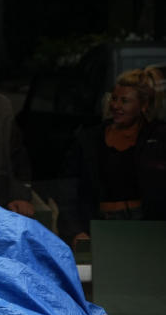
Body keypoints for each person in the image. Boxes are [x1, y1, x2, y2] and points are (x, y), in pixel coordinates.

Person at [59, 67, 166, 246]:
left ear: (143, 105)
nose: (116, 106)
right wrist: (75, 229)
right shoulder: (90, 138)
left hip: (145, 225)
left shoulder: (157, 137)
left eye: (125, 101)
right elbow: (69, 186)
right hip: (98, 223)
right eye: (114, 99)